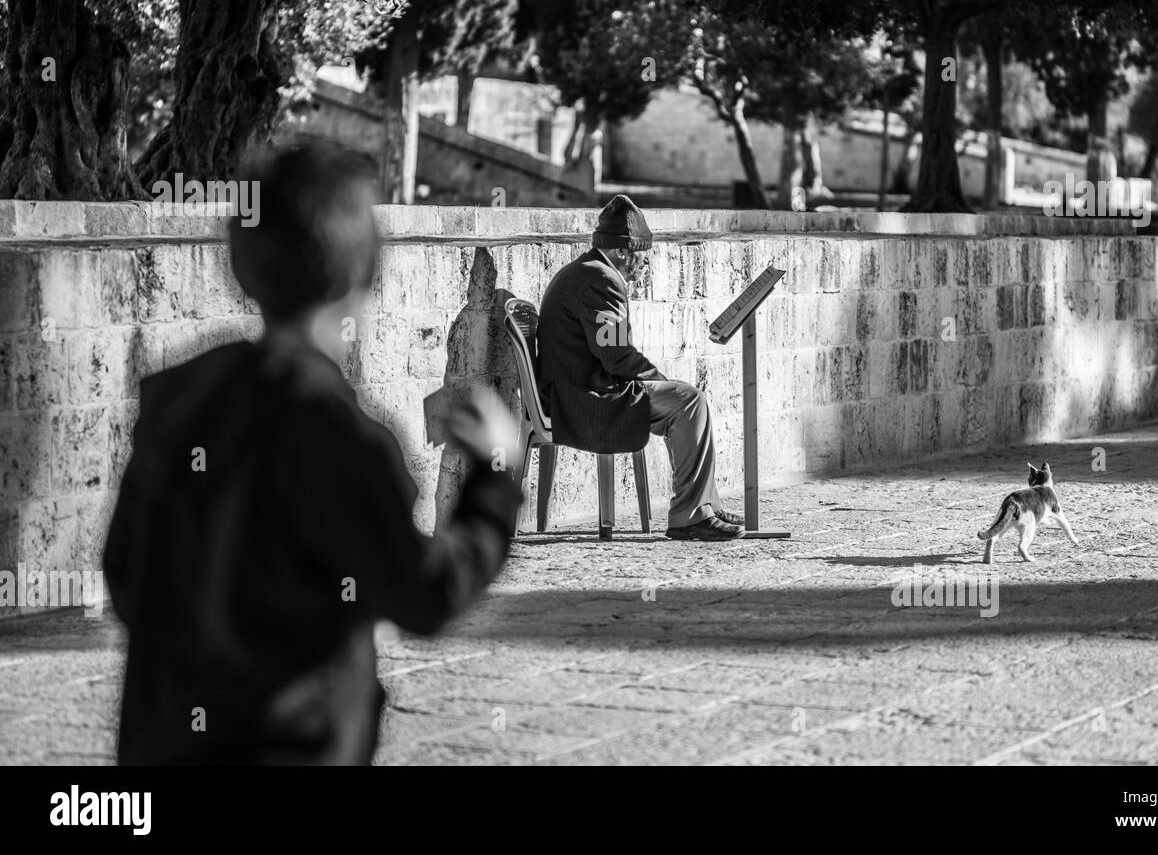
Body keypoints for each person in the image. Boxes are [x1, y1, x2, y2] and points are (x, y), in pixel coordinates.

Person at [103, 140, 521, 765]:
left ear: (243, 266)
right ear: (364, 273)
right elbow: (424, 594)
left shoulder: (180, 396)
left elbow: (124, 572)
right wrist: (494, 477)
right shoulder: (338, 431)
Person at [536, 194, 744, 541]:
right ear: (622, 251)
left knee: (683, 399)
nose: (644, 265)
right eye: (641, 256)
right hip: (585, 399)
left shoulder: (585, 270)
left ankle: (704, 503)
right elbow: (615, 355)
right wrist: (659, 381)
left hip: (574, 388)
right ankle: (690, 515)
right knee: (688, 401)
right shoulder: (601, 279)